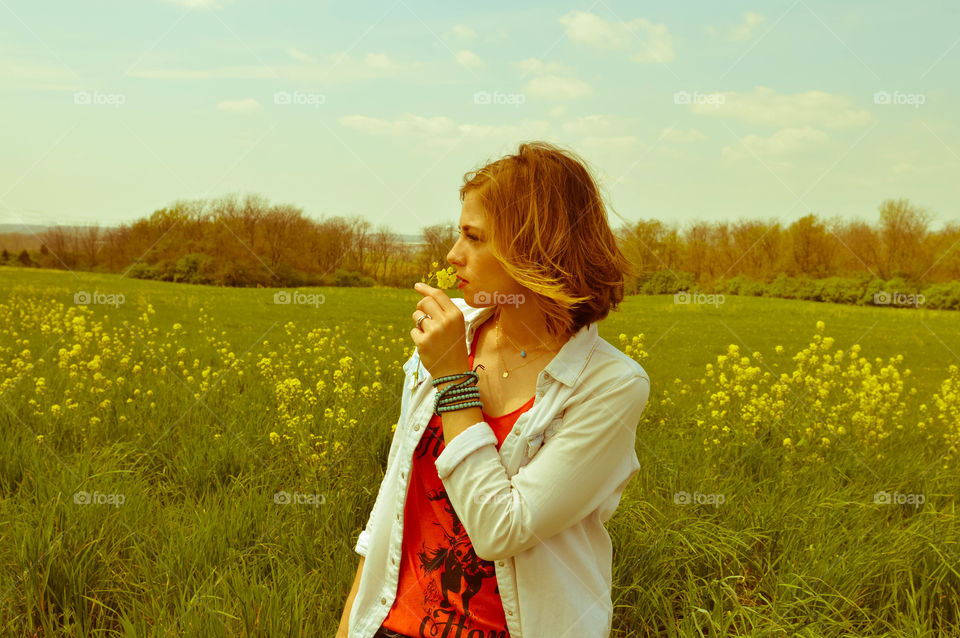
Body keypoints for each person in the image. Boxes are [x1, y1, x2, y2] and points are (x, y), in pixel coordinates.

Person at [337, 141, 651, 638]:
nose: (453, 254)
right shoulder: (451, 336)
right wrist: (351, 623)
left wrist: (454, 380)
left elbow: (500, 529)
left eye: (474, 237)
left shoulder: (610, 385)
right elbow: (392, 503)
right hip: (389, 626)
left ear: (535, 250)